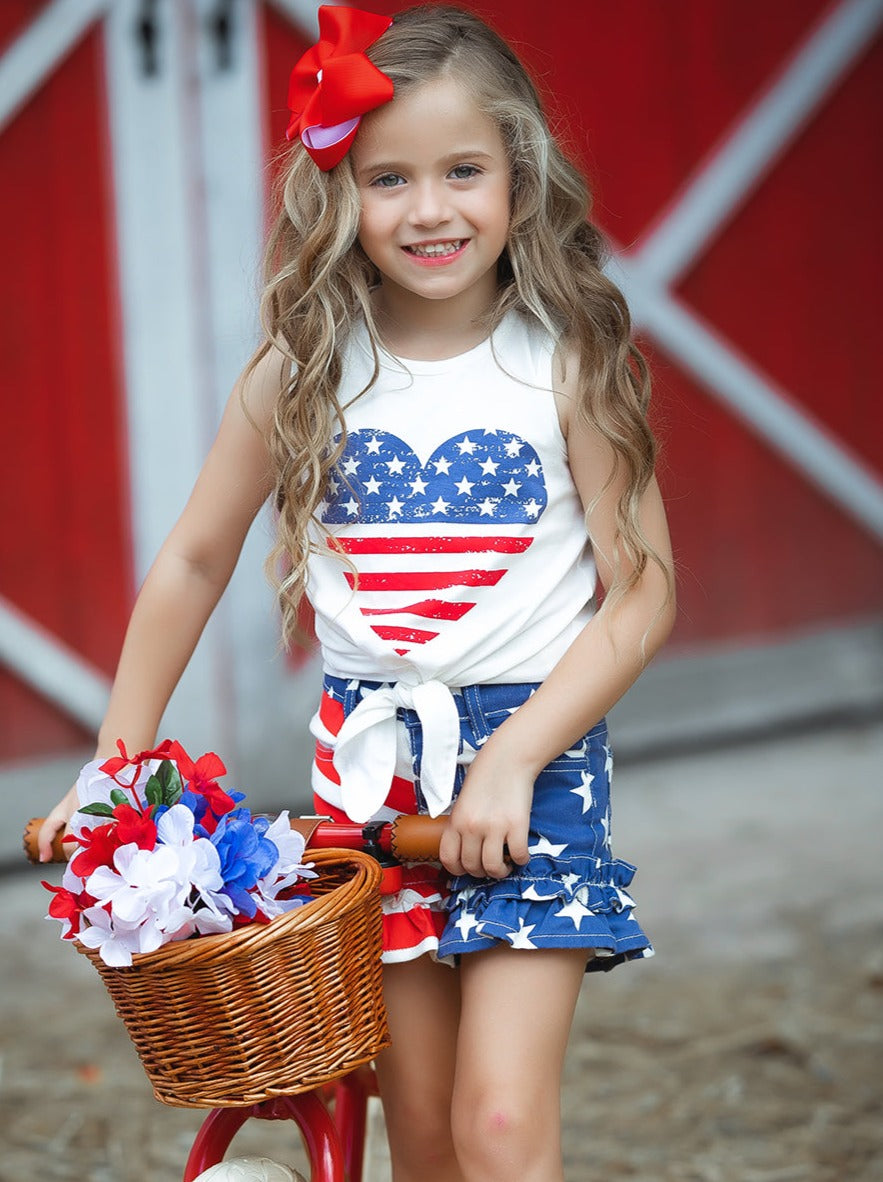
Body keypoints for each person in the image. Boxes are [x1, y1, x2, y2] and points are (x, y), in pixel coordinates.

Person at [39, 6, 676, 1180]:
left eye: (462, 171)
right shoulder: (306, 367)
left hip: (524, 757)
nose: (429, 209)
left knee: (498, 1125)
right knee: (422, 1134)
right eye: (390, 178)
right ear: (340, 192)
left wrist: (517, 756)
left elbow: (640, 596)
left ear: (518, 176)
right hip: (370, 767)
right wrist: (115, 769)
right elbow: (190, 558)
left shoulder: (570, 358)